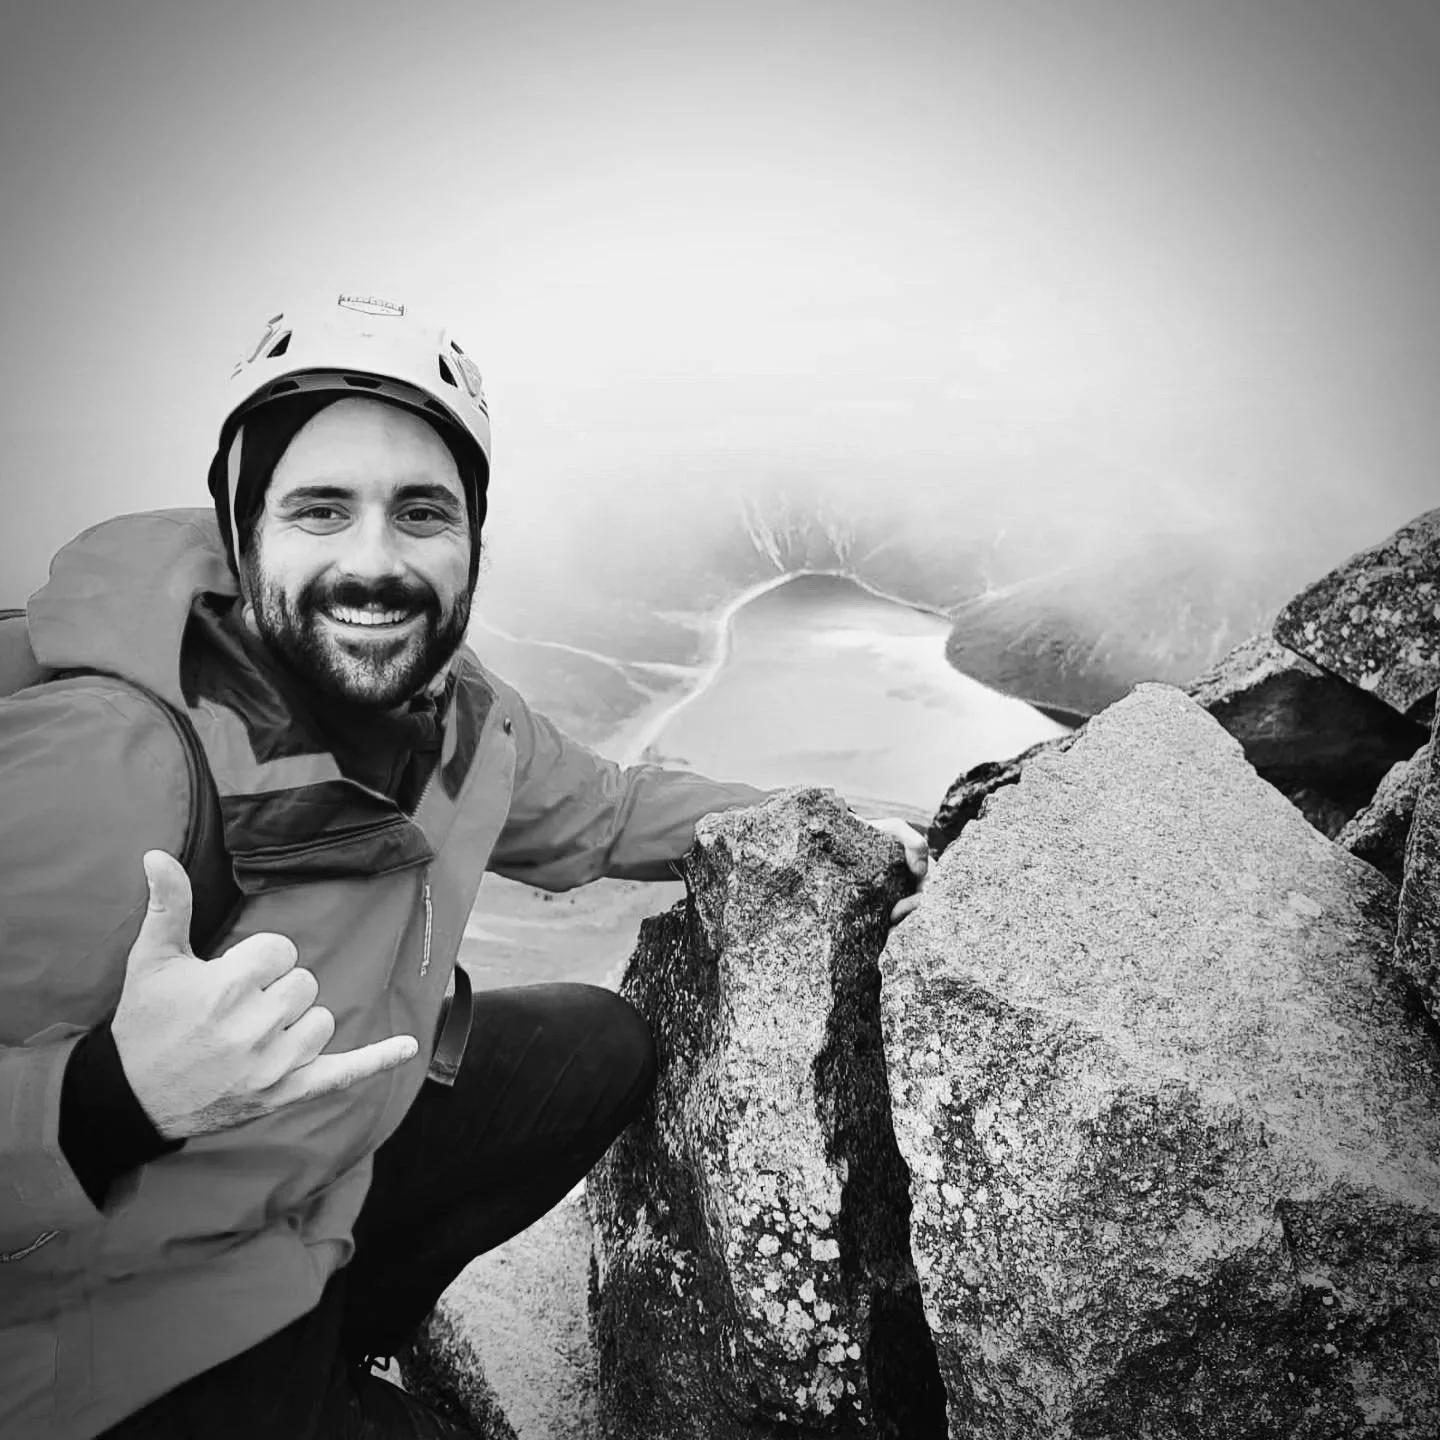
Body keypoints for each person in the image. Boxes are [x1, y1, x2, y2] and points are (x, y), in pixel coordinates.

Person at [0, 294, 929, 1440]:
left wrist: (866, 830)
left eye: (422, 512)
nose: (375, 565)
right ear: (243, 533)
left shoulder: (457, 716)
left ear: (472, 541)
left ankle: (354, 1324)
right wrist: (107, 1100)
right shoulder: (105, 762)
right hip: (120, 1323)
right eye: (320, 510)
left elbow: (610, 810)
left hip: (317, 1169)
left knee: (600, 1048)